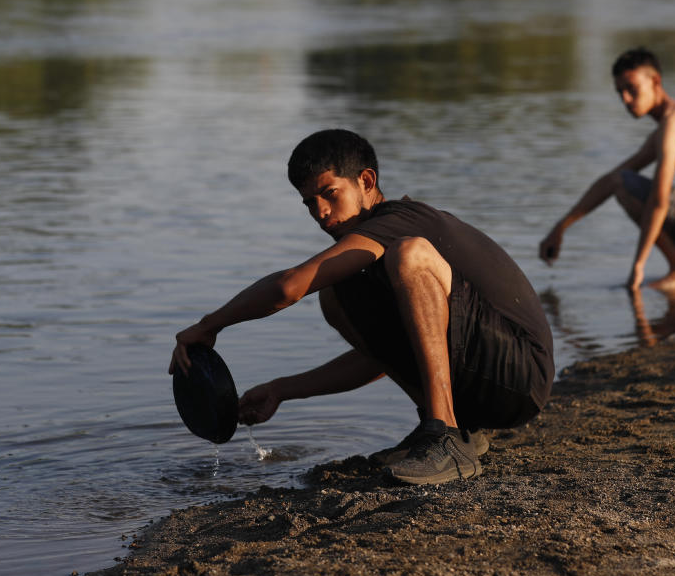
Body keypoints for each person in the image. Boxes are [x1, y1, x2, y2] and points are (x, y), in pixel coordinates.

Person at [169, 129, 553, 486]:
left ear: (366, 182)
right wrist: (282, 390)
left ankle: (445, 434)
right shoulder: (368, 257)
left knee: (410, 254)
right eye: (309, 203)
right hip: (487, 388)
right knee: (335, 294)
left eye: (330, 193)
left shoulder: (399, 222)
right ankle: (453, 430)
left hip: (522, 376)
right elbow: (386, 357)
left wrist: (210, 325)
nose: (320, 212)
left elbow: (288, 286)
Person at [539, 47, 675, 291]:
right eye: (620, 93)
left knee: (634, 188)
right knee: (620, 181)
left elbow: (659, 201)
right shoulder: (666, 128)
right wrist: (560, 228)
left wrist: (638, 265)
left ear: (655, 81)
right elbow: (609, 181)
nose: (626, 100)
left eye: (632, 89)